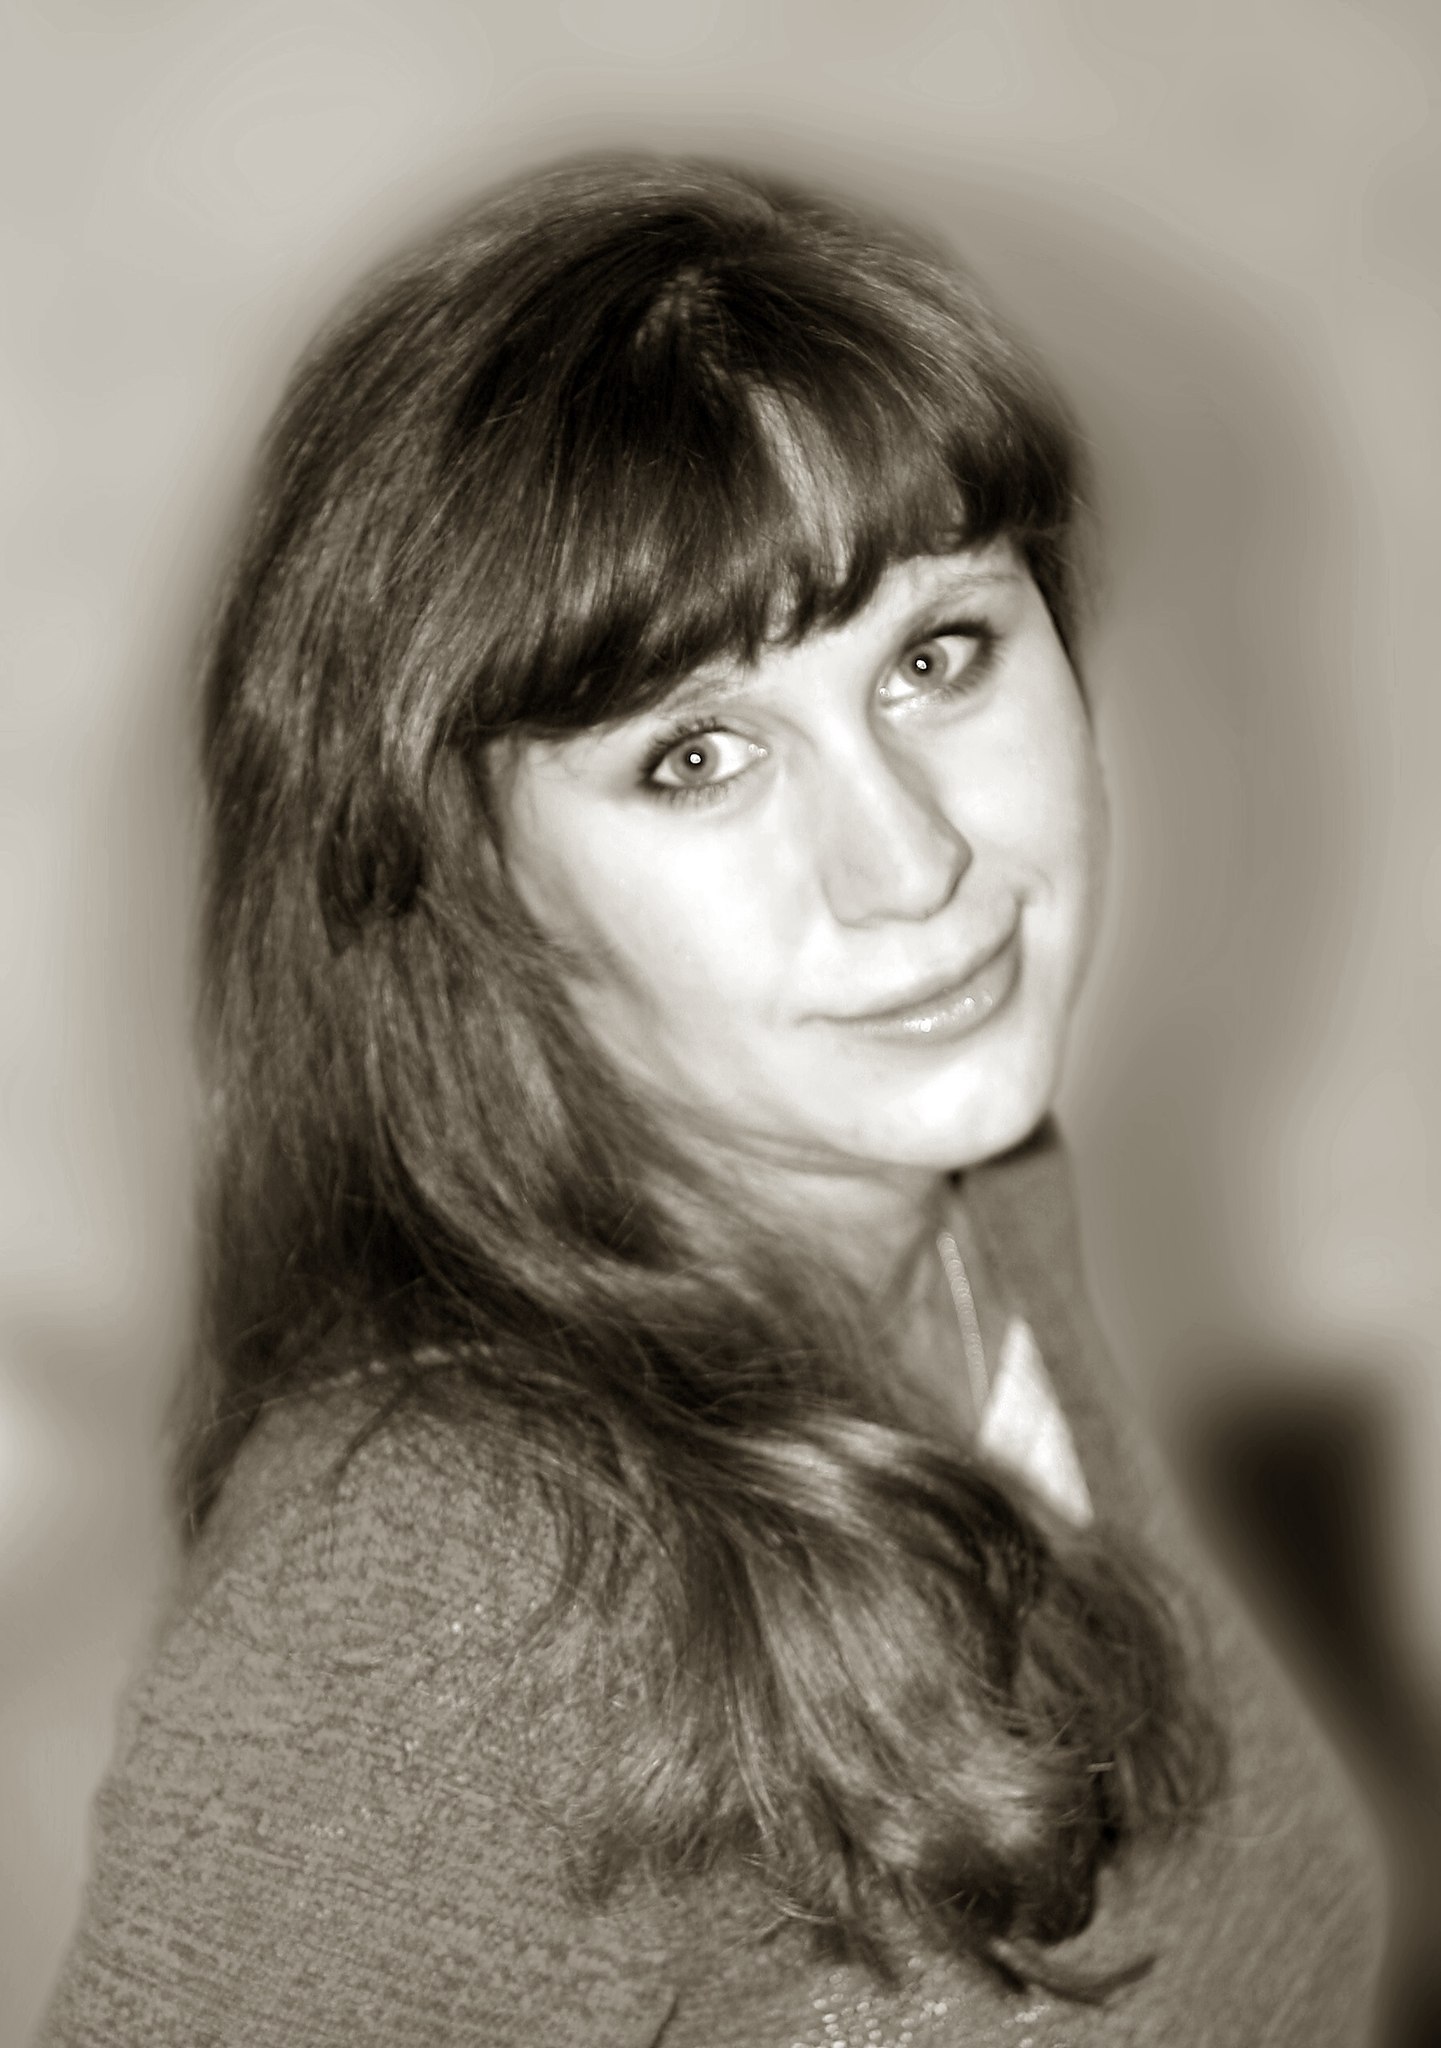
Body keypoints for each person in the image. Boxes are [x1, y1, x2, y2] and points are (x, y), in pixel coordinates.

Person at [37, 152, 1385, 2046]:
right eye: (693, 757)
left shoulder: (980, 1207)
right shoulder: (435, 1594)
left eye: (934, 658)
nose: (909, 863)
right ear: (467, 881)